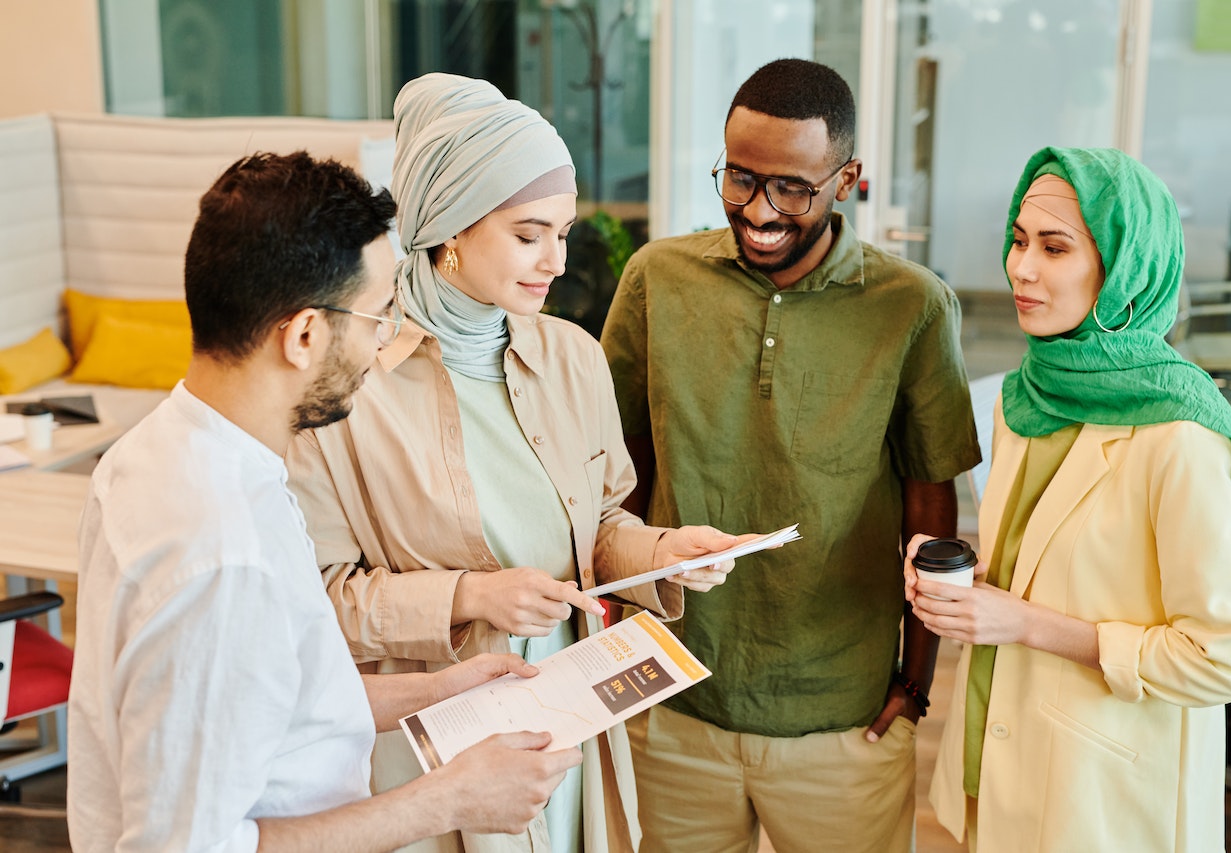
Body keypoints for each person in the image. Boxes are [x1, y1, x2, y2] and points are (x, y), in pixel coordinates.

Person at [67, 151, 583, 852]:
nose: (382, 342)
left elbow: (277, 704)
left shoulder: (163, 451)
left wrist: (441, 690)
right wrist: (450, 797)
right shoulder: (221, 556)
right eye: (377, 316)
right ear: (305, 333)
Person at [284, 73, 747, 853]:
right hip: (425, 746)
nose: (557, 262)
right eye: (529, 234)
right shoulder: (343, 384)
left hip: (567, 714)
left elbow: (598, 526)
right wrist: (470, 595)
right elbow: (325, 602)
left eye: (563, 233)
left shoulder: (572, 356)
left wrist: (663, 552)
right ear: (450, 228)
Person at [600, 58, 981, 853]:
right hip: (674, 700)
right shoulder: (655, 279)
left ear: (847, 178)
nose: (759, 210)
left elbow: (929, 499)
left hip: (843, 716)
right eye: (739, 179)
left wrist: (917, 682)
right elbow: (615, 477)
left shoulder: (911, 304)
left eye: (792, 189)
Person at [904, 146, 1231, 852]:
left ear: (1124, 266)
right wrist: (967, 585)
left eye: (1055, 246)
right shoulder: (1026, 397)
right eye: (1017, 239)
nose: (1022, 268)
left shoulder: (1177, 434)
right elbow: (1051, 565)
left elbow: (1224, 659)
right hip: (994, 774)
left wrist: (1024, 622)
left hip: (1102, 807)